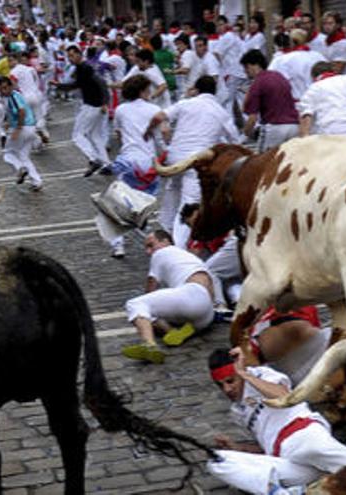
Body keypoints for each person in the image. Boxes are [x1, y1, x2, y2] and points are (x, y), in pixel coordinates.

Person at [205, 347, 346, 494]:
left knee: (318, 450)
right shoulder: (237, 411)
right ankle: (278, 492)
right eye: (221, 385)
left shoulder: (260, 374)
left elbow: (284, 396)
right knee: (217, 460)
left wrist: (244, 374)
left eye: (230, 381)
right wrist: (238, 447)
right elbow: (265, 446)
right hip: (286, 461)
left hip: (301, 434)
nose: (227, 389)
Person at [148, 75, 240, 239]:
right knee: (189, 203)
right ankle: (179, 243)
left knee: (173, 189)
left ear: (197, 90)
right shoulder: (220, 112)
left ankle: (164, 228)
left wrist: (148, 132)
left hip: (175, 157)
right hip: (197, 162)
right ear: (215, 92)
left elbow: (158, 117)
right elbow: (235, 140)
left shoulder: (186, 103)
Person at [122, 230, 217, 363]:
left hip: (192, 295)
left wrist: (141, 314)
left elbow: (151, 286)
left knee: (136, 305)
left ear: (165, 241)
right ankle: (174, 332)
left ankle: (149, 345)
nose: (148, 252)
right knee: (152, 312)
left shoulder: (162, 253)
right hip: (206, 316)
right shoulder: (186, 257)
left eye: (151, 245)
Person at [106, 75, 164, 258]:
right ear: (142, 91)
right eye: (148, 90)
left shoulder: (121, 109)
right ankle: (151, 238)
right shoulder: (154, 109)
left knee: (119, 202)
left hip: (128, 160)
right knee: (145, 201)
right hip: (149, 162)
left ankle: (118, 244)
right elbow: (160, 138)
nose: (150, 93)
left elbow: (119, 132)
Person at [54, 45, 110, 177]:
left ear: (79, 54)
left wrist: (105, 102)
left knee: (77, 135)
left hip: (91, 105)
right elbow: (78, 85)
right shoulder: (82, 68)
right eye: (69, 57)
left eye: (72, 56)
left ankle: (94, 159)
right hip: (95, 105)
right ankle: (107, 164)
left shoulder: (85, 68)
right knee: (94, 135)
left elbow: (100, 83)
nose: (70, 59)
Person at [241, 49, 300, 152]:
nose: (245, 72)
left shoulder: (258, 83)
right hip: (294, 126)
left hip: (274, 128)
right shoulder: (279, 76)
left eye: (245, 68)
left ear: (253, 65)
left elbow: (252, 118)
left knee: (260, 162)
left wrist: (244, 135)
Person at [299, 61, 346, 140]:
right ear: (334, 71)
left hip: (332, 133)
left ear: (313, 77)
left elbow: (306, 115)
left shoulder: (313, 88)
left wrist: (304, 138)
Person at [0, 76, 43, 191]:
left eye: (5, 88)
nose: (3, 91)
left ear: (11, 86)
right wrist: (9, 122)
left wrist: (17, 128)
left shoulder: (13, 96)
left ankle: (20, 168)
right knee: (23, 156)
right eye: (1, 89)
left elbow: (21, 111)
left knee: (8, 154)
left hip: (23, 128)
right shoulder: (15, 95)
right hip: (31, 128)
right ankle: (37, 181)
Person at [268, 29, 327, 102]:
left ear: (291, 41)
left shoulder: (282, 59)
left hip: (296, 105)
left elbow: (271, 82)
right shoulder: (319, 56)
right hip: (318, 102)